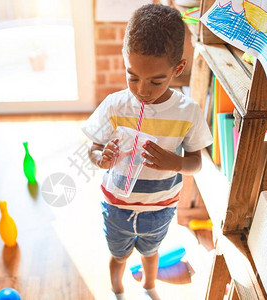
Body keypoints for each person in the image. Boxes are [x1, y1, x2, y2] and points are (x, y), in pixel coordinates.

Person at [81, 4, 212, 300]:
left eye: (156, 80)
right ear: (125, 60)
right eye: (133, 76)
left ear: (177, 69)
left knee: (151, 253)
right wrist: (102, 158)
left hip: (161, 207)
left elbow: (197, 162)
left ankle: (149, 287)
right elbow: (93, 148)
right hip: (117, 207)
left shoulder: (187, 111)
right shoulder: (115, 105)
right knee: (118, 256)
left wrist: (175, 162)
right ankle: (117, 292)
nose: (142, 90)